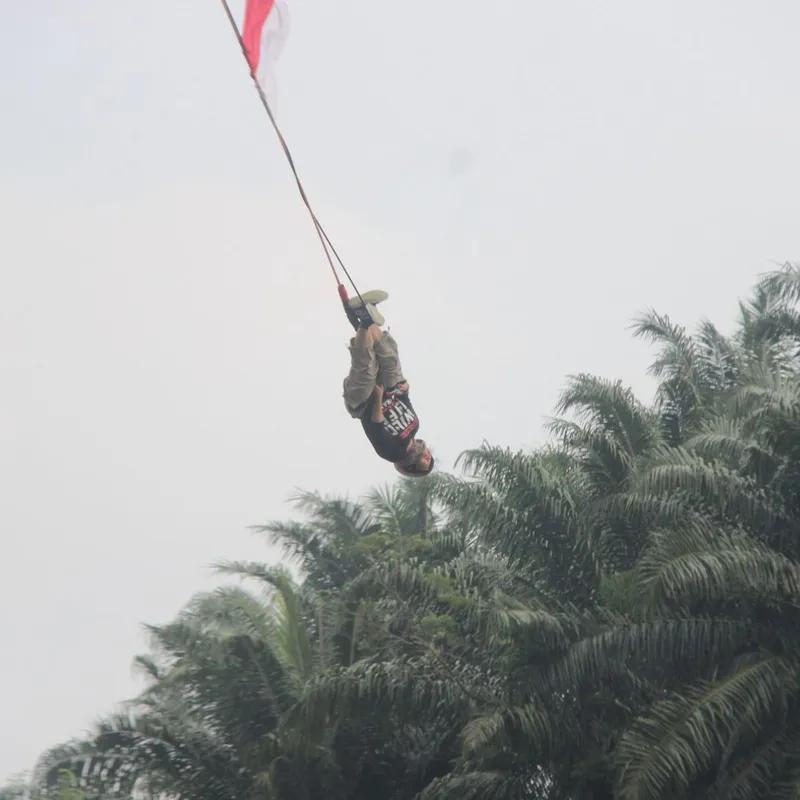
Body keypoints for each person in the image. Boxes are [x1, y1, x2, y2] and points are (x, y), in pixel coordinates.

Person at [341, 291, 434, 476]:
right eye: (431, 458)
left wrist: (377, 398)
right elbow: (404, 401)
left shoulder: (393, 452)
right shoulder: (415, 425)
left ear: (410, 465)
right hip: (390, 390)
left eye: (425, 461)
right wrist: (406, 389)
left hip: (365, 402)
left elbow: (376, 425)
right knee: (389, 358)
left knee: (367, 368)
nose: (428, 456)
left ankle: (366, 321)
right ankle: (362, 311)